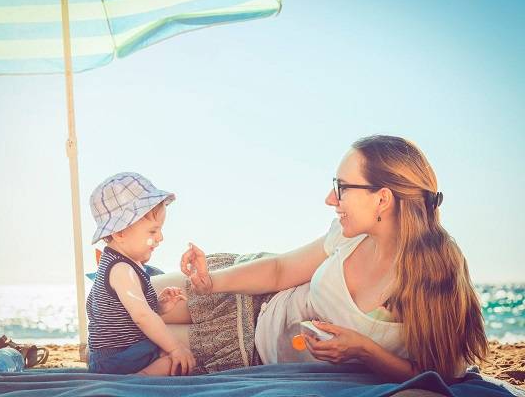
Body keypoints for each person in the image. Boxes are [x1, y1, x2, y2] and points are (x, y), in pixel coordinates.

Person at [151, 135, 488, 382]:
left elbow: (440, 372)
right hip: (247, 295)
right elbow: (280, 269)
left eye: (342, 187)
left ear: (382, 199)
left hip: (247, 348)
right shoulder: (347, 235)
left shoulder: (436, 272)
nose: (330, 199)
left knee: (133, 344)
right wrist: (213, 282)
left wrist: (364, 351)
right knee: (124, 304)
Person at [86, 172, 196, 376]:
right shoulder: (122, 270)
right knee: (173, 357)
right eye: (153, 231)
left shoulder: (123, 264)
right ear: (120, 233)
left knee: (168, 351)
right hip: (115, 358)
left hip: (119, 355)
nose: (160, 237)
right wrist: (175, 348)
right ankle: (135, 381)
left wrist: (160, 307)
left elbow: (129, 314)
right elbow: (142, 317)